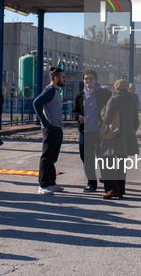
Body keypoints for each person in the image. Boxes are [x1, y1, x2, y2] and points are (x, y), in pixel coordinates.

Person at [72, 69, 111, 192]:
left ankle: (107, 184)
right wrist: (79, 117)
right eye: (86, 79)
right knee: (87, 160)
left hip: (100, 133)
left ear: (96, 80)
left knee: (103, 159)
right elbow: (74, 111)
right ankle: (91, 183)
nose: (88, 81)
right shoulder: (80, 96)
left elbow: (112, 111)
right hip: (85, 133)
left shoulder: (104, 94)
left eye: (90, 78)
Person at [100, 79, 140, 199]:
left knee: (108, 163)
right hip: (127, 137)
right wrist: (129, 132)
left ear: (116, 88)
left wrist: (102, 111)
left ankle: (112, 189)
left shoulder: (114, 99)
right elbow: (136, 122)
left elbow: (107, 118)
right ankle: (121, 190)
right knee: (122, 163)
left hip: (114, 136)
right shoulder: (132, 101)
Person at [33, 67, 66, 195]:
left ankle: (51, 183)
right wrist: (46, 123)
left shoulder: (57, 91)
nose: (65, 80)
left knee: (52, 158)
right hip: (50, 129)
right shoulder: (50, 90)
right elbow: (36, 103)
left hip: (57, 128)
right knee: (46, 157)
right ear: (56, 78)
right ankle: (43, 185)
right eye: (63, 77)